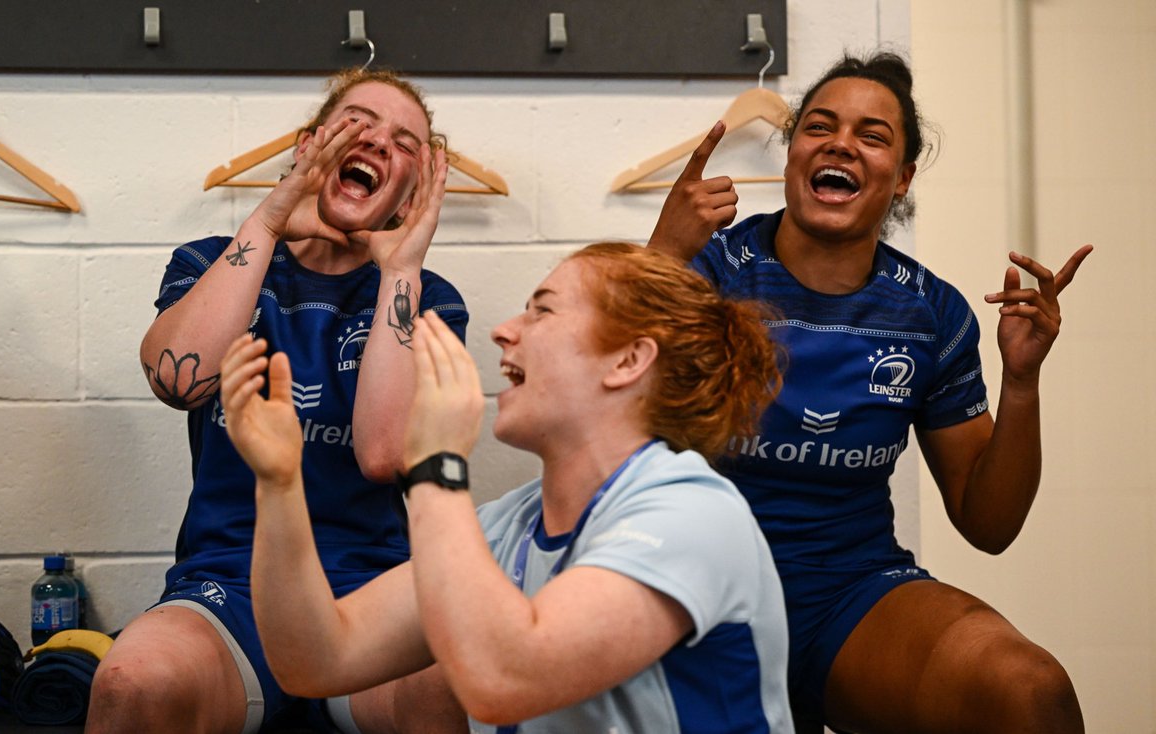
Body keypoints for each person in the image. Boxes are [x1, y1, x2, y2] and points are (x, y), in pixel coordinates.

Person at [648, 51, 1092, 733]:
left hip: (848, 593)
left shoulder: (932, 313)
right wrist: (659, 261)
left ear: (903, 176)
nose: (841, 145)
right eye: (819, 127)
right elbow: (592, 401)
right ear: (793, 152)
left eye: (873, 135)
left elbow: (989, 524)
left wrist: (1023, 383)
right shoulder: (707, 268)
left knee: (1029, 695)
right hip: (699, 589)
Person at [222, 242, 795, 733]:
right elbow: (317, 659)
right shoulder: (510, 524)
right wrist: (279, 485)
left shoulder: (689, 512)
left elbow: (506, 678)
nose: (503, 331)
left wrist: (435, 464)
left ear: (627, 359)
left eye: (541, 312)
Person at [87, 68, 469, 733]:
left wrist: (400, 267)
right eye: (358, 122)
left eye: (405, 141)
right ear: (308, 145)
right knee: (131, 683)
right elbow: (179, 381)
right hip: (232, 584)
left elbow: (385, 453)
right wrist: (269, 218)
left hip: (368, 588)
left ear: (411, 190)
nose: (379, 142)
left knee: (446, 688)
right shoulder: (215, 259)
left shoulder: (429, 296)